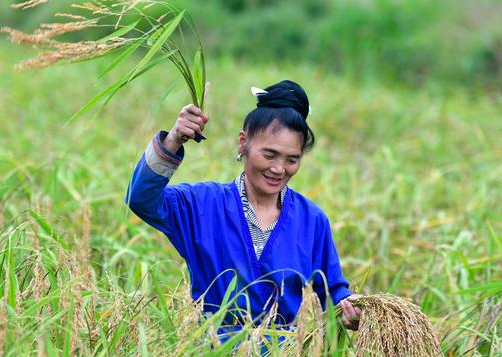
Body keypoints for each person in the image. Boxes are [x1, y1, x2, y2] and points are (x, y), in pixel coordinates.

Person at [126, 80, 362, 339]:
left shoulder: (311, 220)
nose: (279, 169)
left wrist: (351, 309)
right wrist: (173, 139)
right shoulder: (201, 205)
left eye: (292, 160)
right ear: (243, 143)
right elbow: (141, 198)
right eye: (269, 155)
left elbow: (333, 293)